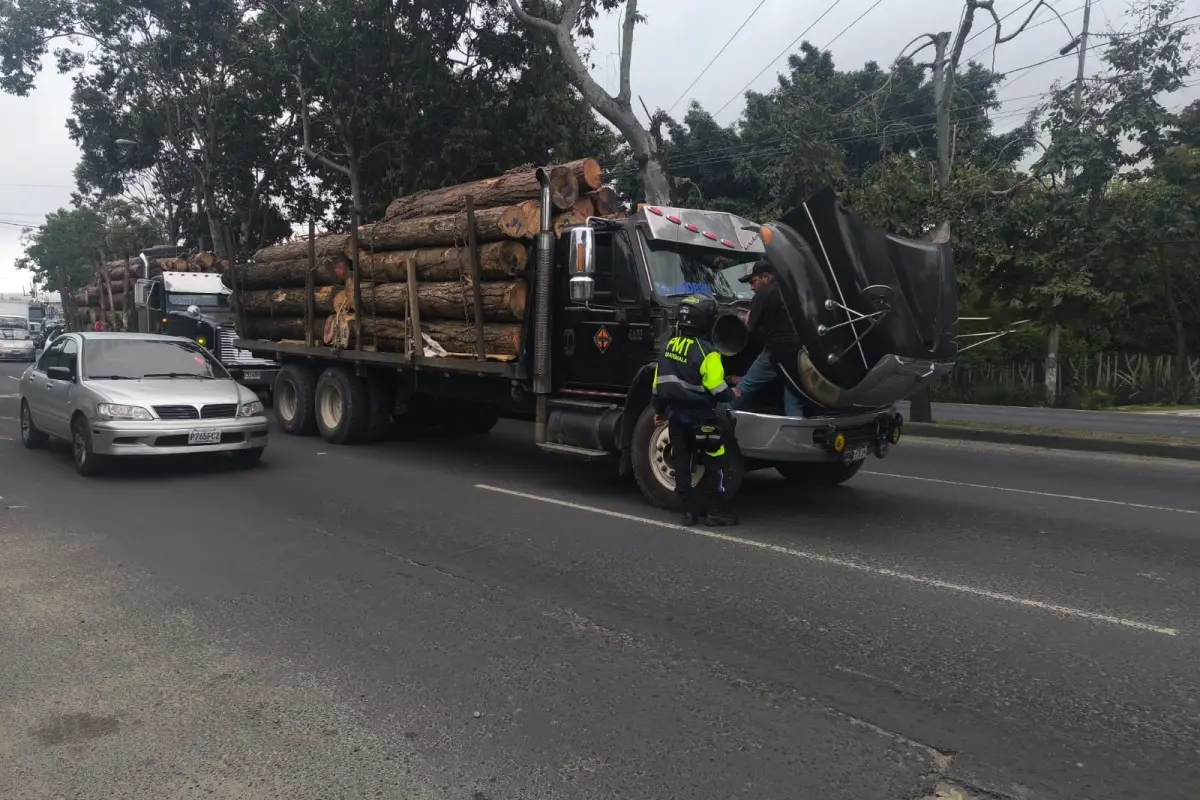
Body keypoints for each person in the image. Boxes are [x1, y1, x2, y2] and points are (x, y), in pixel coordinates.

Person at [651, 294, 738, 527]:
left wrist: (658, 410)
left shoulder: (668, 346)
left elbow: (658, 384)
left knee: (681, 461)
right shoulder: (708, 351)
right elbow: (717, 387)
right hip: (703, 417)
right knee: (714, 461)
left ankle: (688, 512)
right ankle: (715, 513)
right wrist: (732, 394)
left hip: (675, 416)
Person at [730, 259, 806, 418]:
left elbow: (750, 330)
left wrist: (745, 322)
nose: (752, 287)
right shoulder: (791, 290)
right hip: (799, 353)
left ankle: (721, 417)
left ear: (765, 277)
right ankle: (796, 434)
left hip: (775, 352)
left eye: (753, 282)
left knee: (745, 386)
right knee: (792, 395)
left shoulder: (762, 295)